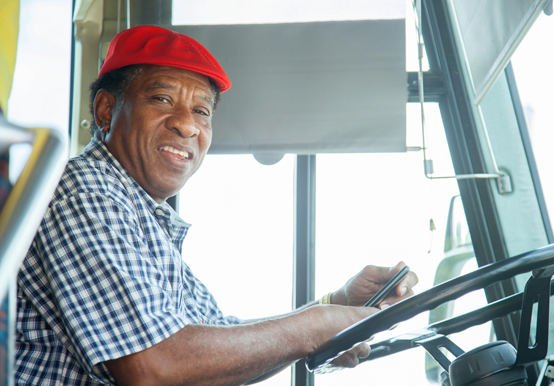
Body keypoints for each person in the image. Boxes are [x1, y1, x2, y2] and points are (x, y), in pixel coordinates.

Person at [15, 25, 418, 386]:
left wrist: (335, 304)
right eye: (161, 99)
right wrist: (313, 328)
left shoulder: (143, 216)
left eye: (201, 111)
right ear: (106, 111)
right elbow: (155, 366)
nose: (187, 125)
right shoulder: (86, 192)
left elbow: (213, 349)